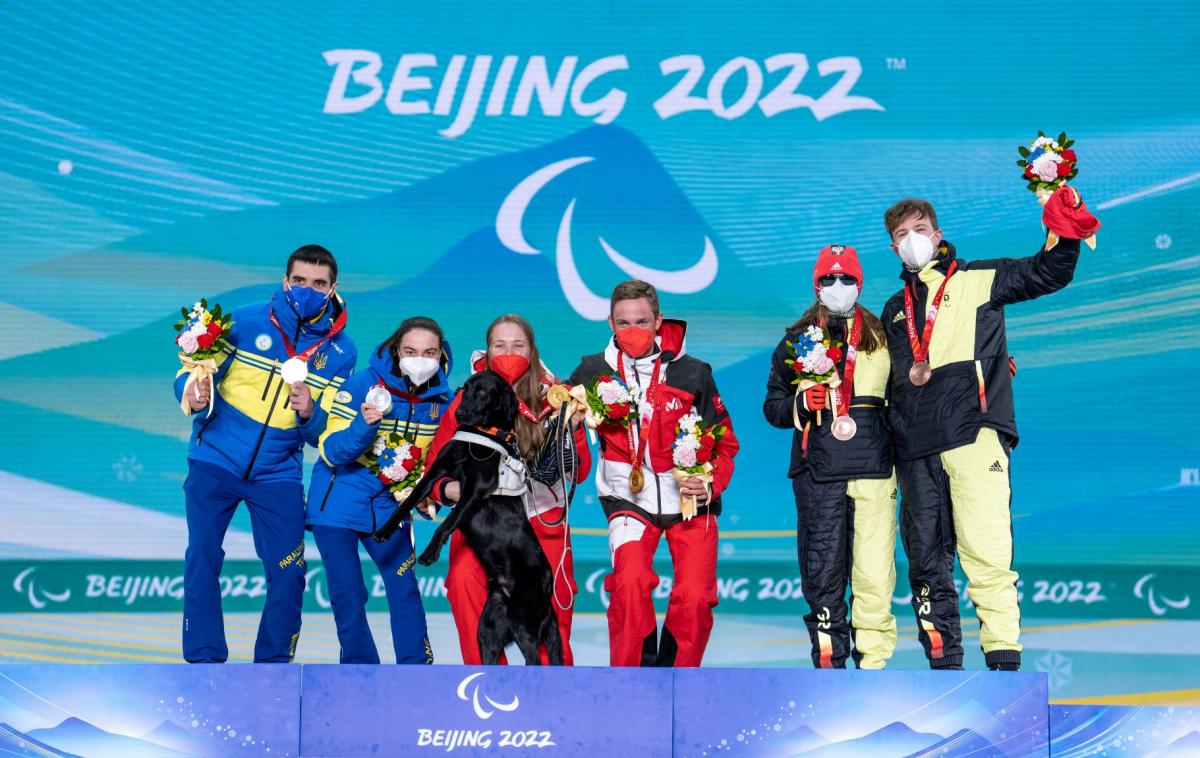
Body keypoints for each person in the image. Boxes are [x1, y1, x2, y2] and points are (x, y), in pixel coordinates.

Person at [880, 190, 1100, 670]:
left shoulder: (979, 278)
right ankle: (943, 666)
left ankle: (1003, 666)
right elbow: (891, 383)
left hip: (974, 435)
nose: (911, 241)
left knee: (987, 554)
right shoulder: (894, 310)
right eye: (901, 235)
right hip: (916, 449)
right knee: (925, 565)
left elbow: (1047, 272)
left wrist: (1065, 229)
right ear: (893, 248)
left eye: (919, 230)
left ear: (937, 236)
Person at [174, 244, 356, 663]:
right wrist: (193, 394)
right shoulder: (242, 319)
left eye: (318, 283)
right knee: (202, 554)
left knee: (290, 573)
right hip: (214, 460)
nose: (307, 290)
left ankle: (274, 665)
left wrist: (309, 411)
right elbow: (189, 373)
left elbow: (324, 432)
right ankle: (204, 659)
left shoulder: (342, 352)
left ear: (333, 288)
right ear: (285, 281)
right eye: (299, 281)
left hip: (278, 474)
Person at [567, 280, 739, 667]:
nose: (633, 331)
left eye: (642, 322)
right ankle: (631, 679)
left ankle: (678, 678)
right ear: (610, 322)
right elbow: (555, 415)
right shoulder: (592, 370)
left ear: (659, 320)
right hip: (628, 498)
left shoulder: (693, 372)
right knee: (629, 584)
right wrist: (574, 422)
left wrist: (709, 483)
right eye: (624, 322)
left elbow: (726, 444)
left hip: (691, 501)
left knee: (695, 596)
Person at [424, 314, 590, 665]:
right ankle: (489, 686)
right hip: (485, 524)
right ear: (487, 350)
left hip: (540, 521)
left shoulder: (556, 398)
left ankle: (551, 699)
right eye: (500, 345)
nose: (508, 352)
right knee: (462, 582)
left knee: (547, 619)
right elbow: (434, 472)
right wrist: (450, 490)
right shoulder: (467, 399)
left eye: (518, 345)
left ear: (532, 351)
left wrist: (572, 430)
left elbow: (582, 470)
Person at [763, 245, 898, 669]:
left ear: (860, 284)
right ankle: (830, 670)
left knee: (875, 576)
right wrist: (799, 408)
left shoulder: (884, 335)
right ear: (816, 285)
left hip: (875, 468)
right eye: (828, 279)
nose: (837, 287)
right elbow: (773, 407)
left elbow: (917, 390)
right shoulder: (796, 340)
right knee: (822, 575)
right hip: (818, 471)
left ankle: (874, 667)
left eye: (846, 279)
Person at [307, 317, 452, 664]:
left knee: (404, 587)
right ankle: (361, 671)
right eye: (411, 351)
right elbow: (332, 451)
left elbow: (433, 464)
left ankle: (416, 668)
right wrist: (364, 425)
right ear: (396, 350)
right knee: (348, 592)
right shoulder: (362, 385)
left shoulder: (443, 402)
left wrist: (426, 496)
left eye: (429, 352)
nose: (420, 359)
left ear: (441, 356)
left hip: (390, 507)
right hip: (337, 502)